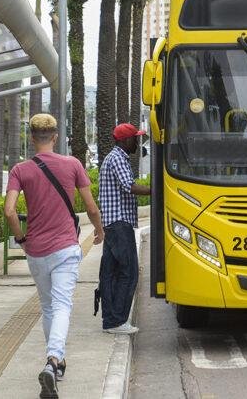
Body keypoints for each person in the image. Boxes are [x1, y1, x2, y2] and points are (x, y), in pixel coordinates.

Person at [4, 113, 104, 398]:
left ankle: (56, 363)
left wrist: (21, 238)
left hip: (36, 250)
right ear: (56, 136)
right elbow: (91, 208)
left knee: (49, 307)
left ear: (32, 138)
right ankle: (53, 361)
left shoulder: (20, 170)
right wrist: (98, 231)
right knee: (62, 306)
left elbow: (9, 211)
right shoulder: (72, 164)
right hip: (65, 248)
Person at [98, 123, 151, 335]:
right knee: (128, 273)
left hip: (114, 223)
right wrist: (157, 190)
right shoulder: (118, 158)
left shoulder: (115, 157)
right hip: (120, 224)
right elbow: (130, 186)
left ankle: (111, 321)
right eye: (135, 138)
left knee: (110, 273)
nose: (137, 142)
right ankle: (118, 321)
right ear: (125, 140)